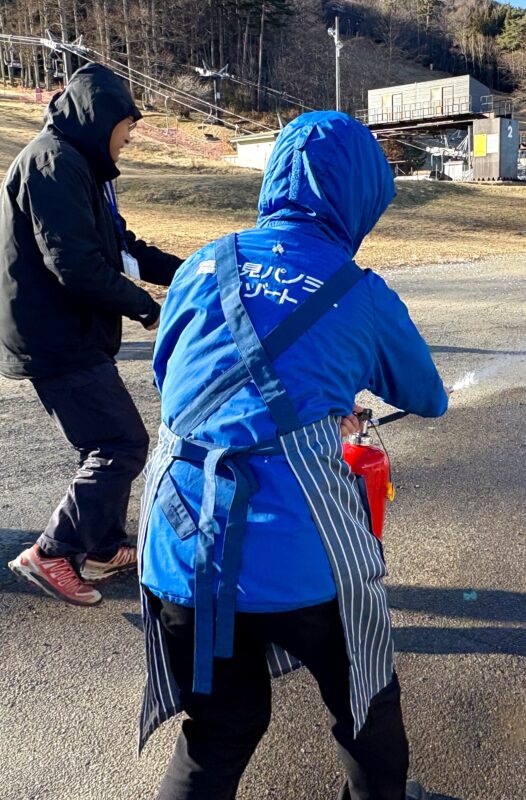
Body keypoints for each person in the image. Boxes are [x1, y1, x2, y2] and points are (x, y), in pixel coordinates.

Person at [137, 111, 448, 800]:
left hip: (182, 543)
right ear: (360, 197)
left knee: (221, 728)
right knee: (366, 709)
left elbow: (173, 384)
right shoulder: (359, 291)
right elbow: (428, 396)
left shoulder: (203, 264)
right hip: (302, 553)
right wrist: (331, 396)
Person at [3, 63, 182, 606]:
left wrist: (196, 271)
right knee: (118, 444)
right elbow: (75, 265)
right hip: (54, 336)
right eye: (126, 130)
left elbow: (123, 249)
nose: (128, 141)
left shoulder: (78, 165)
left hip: (68, 331)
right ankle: (53, 552)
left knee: (112, 441)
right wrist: (146, 310)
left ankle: (102, 547)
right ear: (102, 119)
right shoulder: (52, 164)